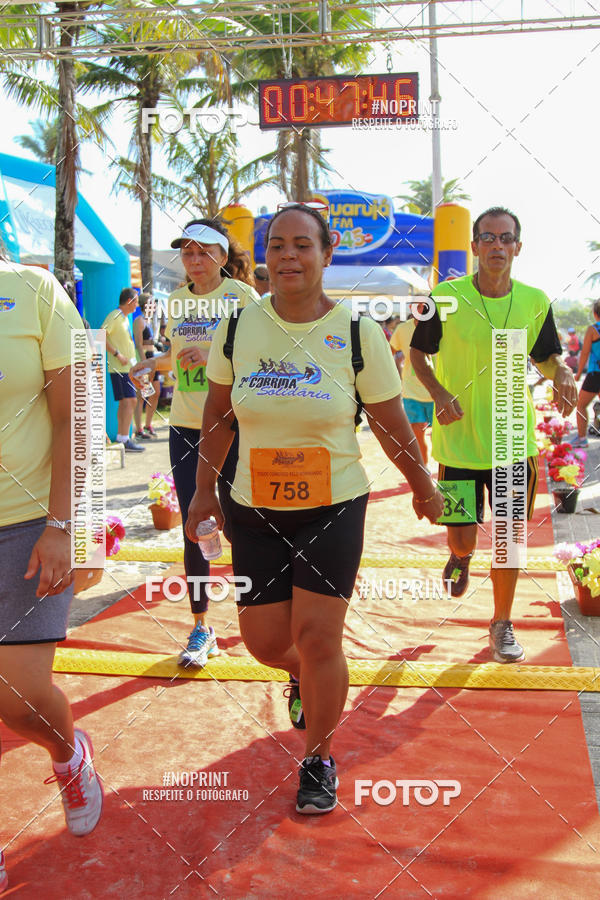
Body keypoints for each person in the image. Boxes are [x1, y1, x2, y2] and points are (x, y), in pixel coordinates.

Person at [184, 205, 443, 815]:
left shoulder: (358, 332)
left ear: (327, 257)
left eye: (303, 245)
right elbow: (218, 417)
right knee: (265, 641)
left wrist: (422, 484)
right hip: (252, 506)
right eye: (277, 245)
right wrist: (202, 492)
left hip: (333, 507)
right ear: (264, 256)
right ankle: (304, 675)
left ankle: (319, 755)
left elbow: (390, 422)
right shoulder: (238, 327)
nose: (288, 256)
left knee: (320, 636)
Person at [410, 206, 577, 663]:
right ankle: (460, 555)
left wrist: (560, 369)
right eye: (487, 238)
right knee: (463, 536)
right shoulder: (442, 297)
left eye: (506, 239)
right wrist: (439, 393)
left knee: (508, 537)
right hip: (458, 444)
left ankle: (501, 622)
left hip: (511, 441)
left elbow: (547, 357)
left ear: (517, 248)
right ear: (474, 247)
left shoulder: (535, 300)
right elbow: (417, 355)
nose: (497, 246)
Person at [0, 259, 103, 891]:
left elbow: (78, 414)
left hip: (28, 522)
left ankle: (69, 755)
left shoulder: (32, 289)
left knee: (18, 696)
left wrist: (67, 525)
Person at [130, 219, 260, 668]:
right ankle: (202, 627)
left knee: (243, 522)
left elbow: (266, 358)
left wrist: (215, 356)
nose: (194, 259)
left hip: (236, 423)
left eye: (204, 252)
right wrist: (150, 364)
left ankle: (259, 617)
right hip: (187, 426)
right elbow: (180, 356)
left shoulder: (242, 298)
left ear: (223, 257)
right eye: (187, 252)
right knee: (196, 522)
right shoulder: (178, 300)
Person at [390, 302, 435, 466]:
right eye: (418, 306)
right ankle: (425, 471)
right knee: (418, 433)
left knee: (441, 438)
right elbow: (390, 351)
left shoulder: (439, 326)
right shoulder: (403, 329)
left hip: (438, 391)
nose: (421, 309)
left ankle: (444, 473)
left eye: (425, 306)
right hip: (411, 390)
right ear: (411, 309)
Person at [102, 287, 145, 452]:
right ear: (129, 301)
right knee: (131, 400)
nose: (137, 306)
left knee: (126, 401)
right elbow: (101, 333)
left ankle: (122, 438)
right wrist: (117, 354)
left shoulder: (125, 318)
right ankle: (125, 439)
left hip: (127, 367)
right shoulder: (115, 316)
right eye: (136, 302)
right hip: (118, 367)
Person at [133, 292, 160, 439]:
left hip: (153, 358)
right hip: (145, 359)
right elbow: (138, 344)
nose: (154, 305)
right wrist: (144, 364)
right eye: (152, 303)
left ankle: (148, 424)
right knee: (142, 394)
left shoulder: (149, 321)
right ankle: (139, 428)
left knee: (155, 392)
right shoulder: (139, 321)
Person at [573, 300, 600, 448]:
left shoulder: (593, 329)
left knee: (581, 405)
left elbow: (584, 353)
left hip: (596, 373)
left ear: (595, 314)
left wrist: (578, 373)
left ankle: (582, 438)